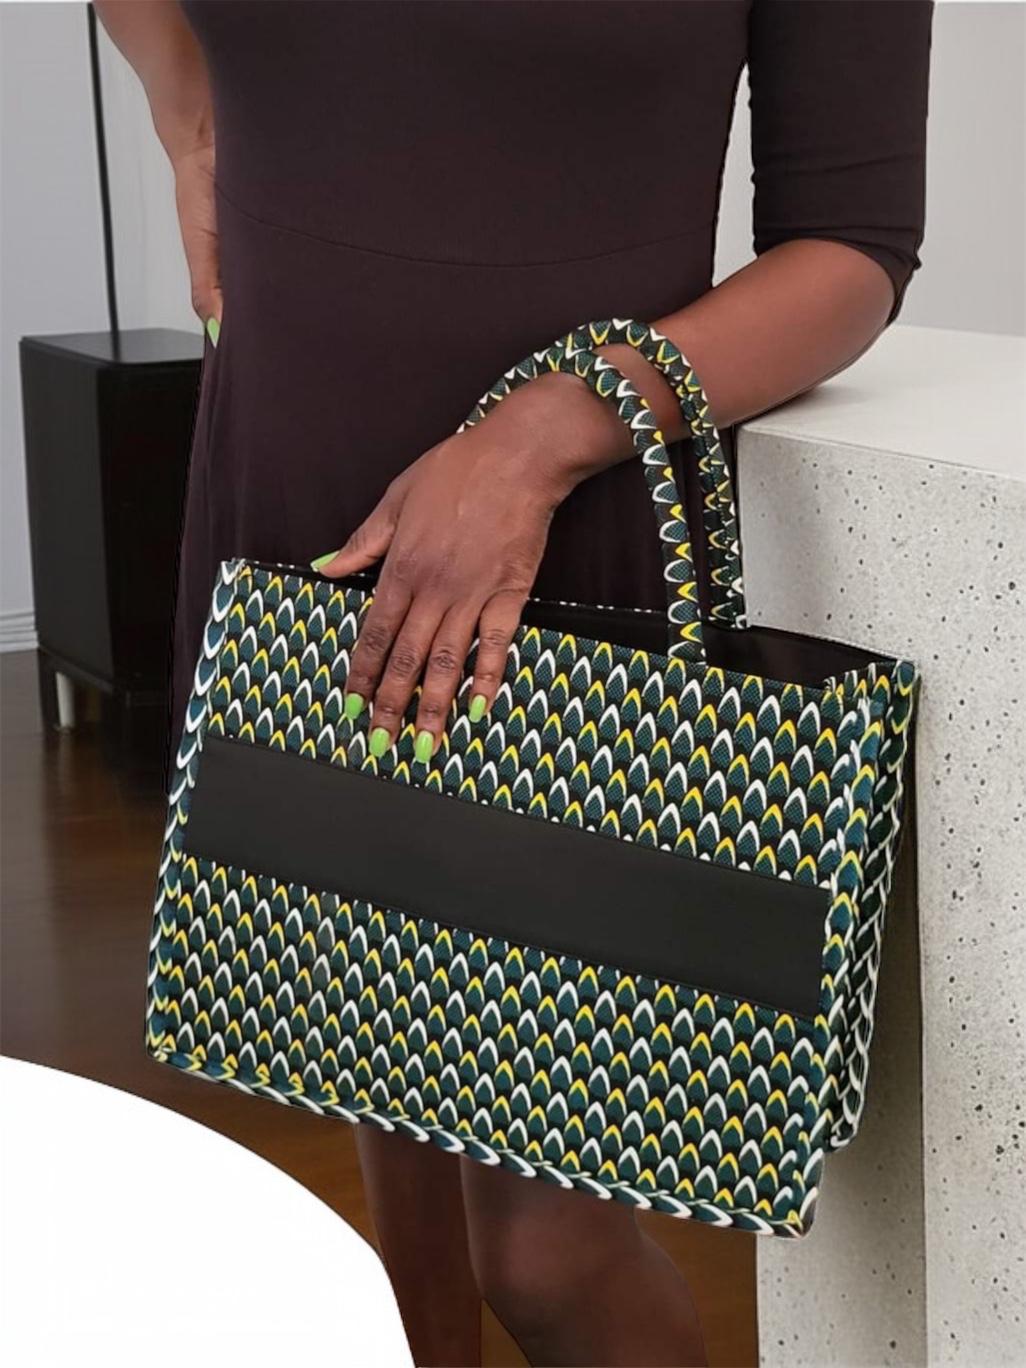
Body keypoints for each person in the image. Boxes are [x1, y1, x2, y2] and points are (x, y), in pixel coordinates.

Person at [97, 3, 931, 1363]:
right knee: (384, 1107)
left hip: (561, 559)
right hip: (298, 501)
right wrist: (183, 105)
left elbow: (851, 248)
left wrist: (538, 440)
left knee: (547, 1257)